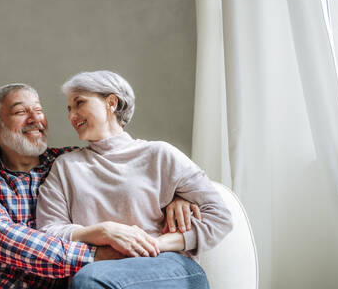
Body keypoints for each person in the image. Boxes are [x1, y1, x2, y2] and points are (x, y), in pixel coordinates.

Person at [0, 83, 197, 289]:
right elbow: (0, 238)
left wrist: (176, 194)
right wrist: (96, 254)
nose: (36, 119)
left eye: (39, 110)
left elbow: (136, 170)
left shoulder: (72, 162)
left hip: (48, 284)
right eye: (21, 112)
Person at [36, 71, 233, 289]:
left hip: (168, 266)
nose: (72, 115)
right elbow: (48, 231)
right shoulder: (65, 166)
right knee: (89, 278)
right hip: (98, 270)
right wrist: (104, 232)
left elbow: (219, 217)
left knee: (89, 279)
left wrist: (154, 244)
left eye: (79, 103)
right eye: (69, 108)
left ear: (111, 103)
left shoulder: (159, 154)